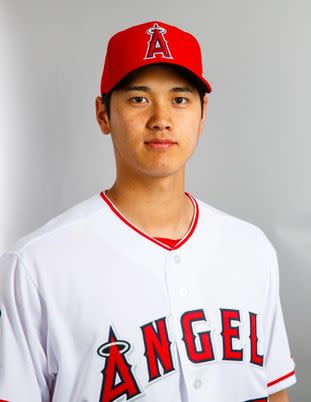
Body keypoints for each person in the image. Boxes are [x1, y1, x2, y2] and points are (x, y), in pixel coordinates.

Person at [0, 20, 297, 402]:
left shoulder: (252, 249)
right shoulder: (35, 266)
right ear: (103, 114)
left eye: (180, 99)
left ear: (202, 112)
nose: (161, 118)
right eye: (138, 99)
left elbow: (274, 394)